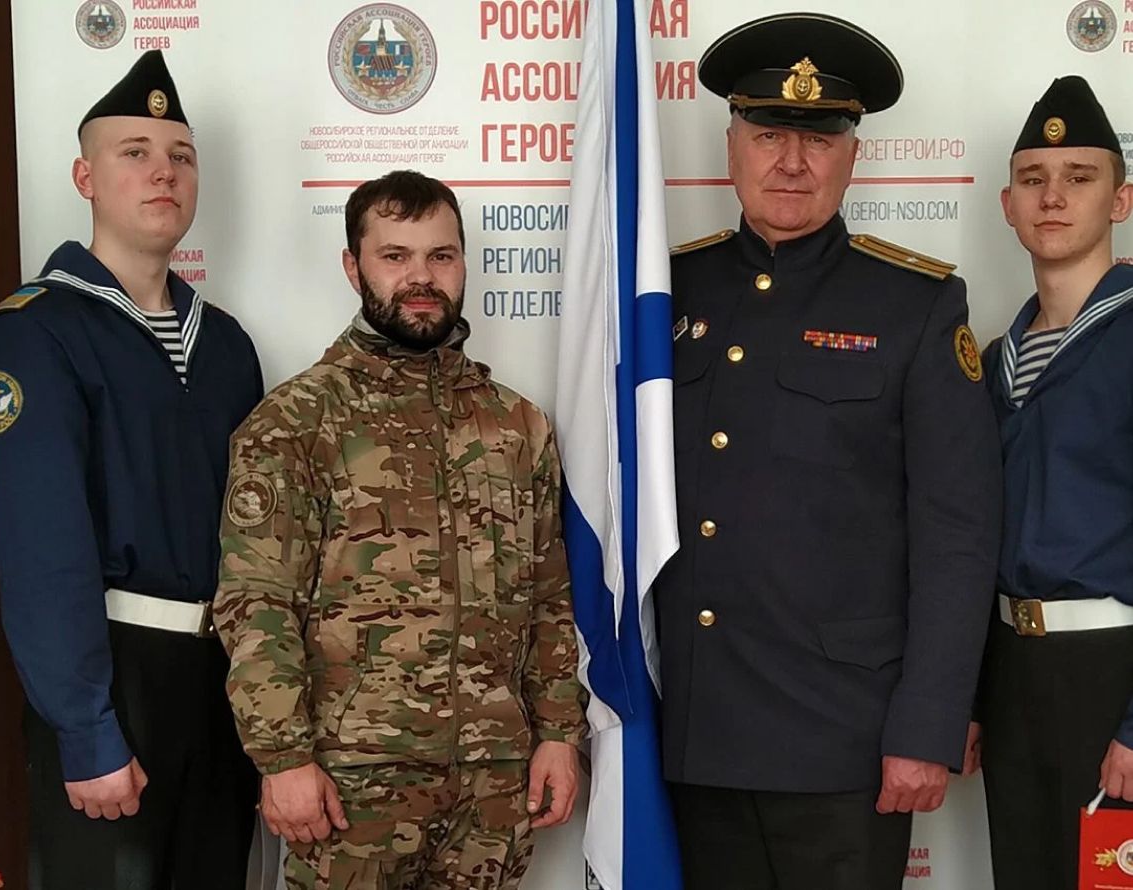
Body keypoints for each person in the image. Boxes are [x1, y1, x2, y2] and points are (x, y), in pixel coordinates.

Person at [655, 12, 1002, 889]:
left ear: (852, 156)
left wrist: (926, 726)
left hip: (846, 737)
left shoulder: (914, 305)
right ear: (730, 146)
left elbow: (957, 536)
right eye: (767, 135)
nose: (791, 162)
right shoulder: (669, 290)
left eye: (817, 140)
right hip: (696, 729)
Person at [213, 170, 586, 889]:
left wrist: (559, 734)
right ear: (353, 267)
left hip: (494, 783)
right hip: (351, 785)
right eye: (395, 256)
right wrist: (283, 758)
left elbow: (548, 597)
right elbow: (256, 602)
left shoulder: (515, 424)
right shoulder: (297, 421)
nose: (421, 277)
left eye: (441, 256)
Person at [0, 50, 262, 888]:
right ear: (85, 178)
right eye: (134, 152)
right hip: (113, 675)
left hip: (222, 681)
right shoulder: (38, 329)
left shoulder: (227, 344)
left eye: (181, 155)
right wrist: (85, 724)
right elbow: (44, 549)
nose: (163, 171)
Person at [976, 75, 1133, 890]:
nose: (1052, 196)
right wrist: (971, 698)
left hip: (1111, 669)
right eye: (1032, 179)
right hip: (1013, 672)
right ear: (1007, 206)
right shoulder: (988, 359)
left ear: (1120, 200)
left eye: (1079, 177)